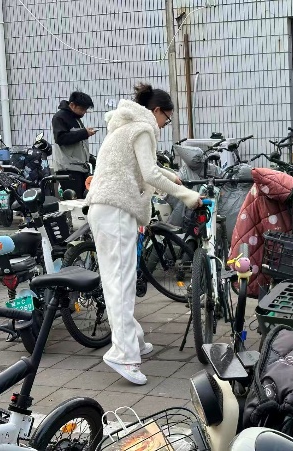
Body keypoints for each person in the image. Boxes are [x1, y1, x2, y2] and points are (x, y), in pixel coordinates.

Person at [85, 83, 202, 385]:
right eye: (167, 119)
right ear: (157, 111)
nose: (164, 125)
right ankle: (123, 354)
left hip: (104, 208)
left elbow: (141, 167)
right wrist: (187, 195)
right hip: (117, 209)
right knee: (120, 283)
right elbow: (148, 173)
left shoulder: (125, 126)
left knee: (117, 279)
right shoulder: (143, 128)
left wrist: (171, 175)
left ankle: (133, 339)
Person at [52, 91, 96, 198]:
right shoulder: (60, 117)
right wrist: (84, 133)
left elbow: (78, 143)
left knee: (83, 200)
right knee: (74, 202)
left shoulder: (76, 119)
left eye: (85, 109)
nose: (84, 112)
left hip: (80, 168)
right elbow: (61, 138)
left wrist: (89, 157)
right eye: (82, 109)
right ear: (72, 105)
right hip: (68, 169)